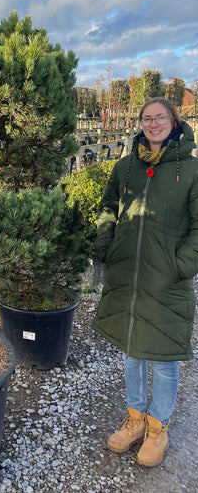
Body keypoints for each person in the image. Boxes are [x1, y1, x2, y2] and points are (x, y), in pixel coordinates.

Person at [93, 97, 198, 467]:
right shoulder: (125, 168)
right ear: (140, 124)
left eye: (160, 118)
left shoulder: (192, 170)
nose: (153, 124)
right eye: (146, 118)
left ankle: (158, 428)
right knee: (132, 352)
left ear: (173, 121)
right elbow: (108, 208)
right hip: (127, 275)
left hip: (166, 279)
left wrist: (181, 266)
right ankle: (135, 419)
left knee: (165, 358)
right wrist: (105, 246)